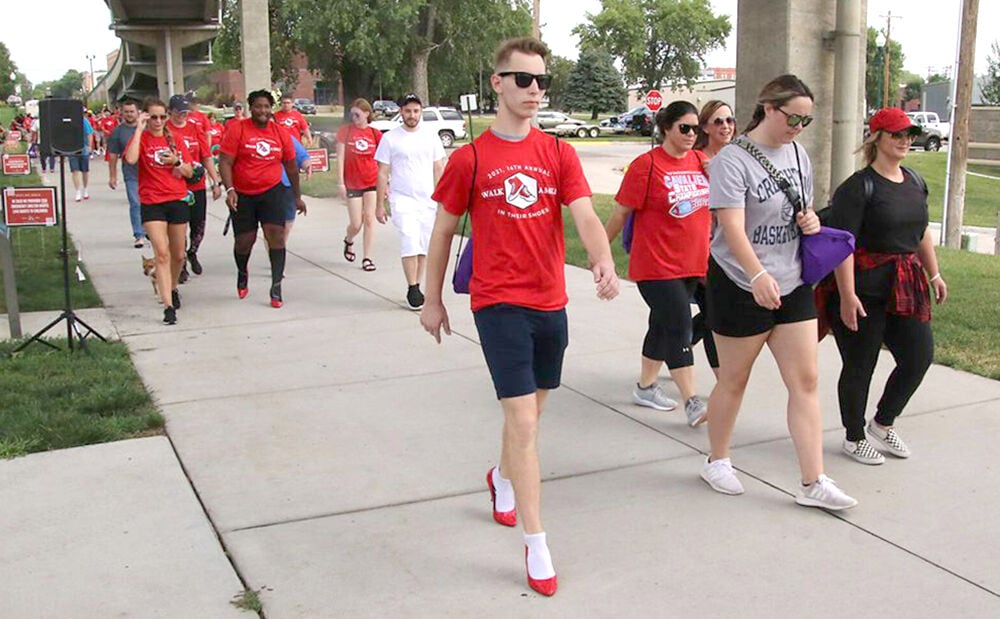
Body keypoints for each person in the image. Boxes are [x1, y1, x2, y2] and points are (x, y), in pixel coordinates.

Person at [420, 37, 620, 596]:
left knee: (531, 411)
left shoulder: (558, 152)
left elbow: (583, 214)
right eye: (523, 80)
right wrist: (432, 298)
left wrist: (602, 260)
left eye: (542, 81)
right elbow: (441, 232)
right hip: (497, 301)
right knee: (525, 422)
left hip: (549, 301)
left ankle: (501, 475)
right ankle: (537, 543)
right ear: (498, 83)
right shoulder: (471, 158)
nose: (535, 91)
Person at [699, 74, 858, 510]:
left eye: (806, 121)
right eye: (793, 118)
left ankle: (813, 481)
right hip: (739, 283)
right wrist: (755, 275)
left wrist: (808, 220)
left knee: (805, 380)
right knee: (734, 379)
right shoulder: (733, 160)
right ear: (768, 107)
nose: (798, 127)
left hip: (792, 281)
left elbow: (800, 207)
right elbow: (730, 226)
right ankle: (717, 460)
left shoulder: (798, 153)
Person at [825, 108, 946, 465]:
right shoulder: (857, 187)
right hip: (863, 289)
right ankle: (853, 436)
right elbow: (843, 244)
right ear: (876, 138)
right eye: (897, 134)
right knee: (861, 364)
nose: (905, 140)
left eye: (909, 134)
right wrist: (846, 296)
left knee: (918, 356)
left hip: (905, 285)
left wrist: (934, 274)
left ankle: (883, 422)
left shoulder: (914, 181)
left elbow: (921, 232)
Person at [604, 101, 711, 426]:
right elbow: (620, 214)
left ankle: (646, 387)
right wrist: (600, 255)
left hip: (692, 265)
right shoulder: (646, 166)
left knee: (662, 325)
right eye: (685, 128)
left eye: (696, 128)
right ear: (667, 128)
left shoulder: (701, 162)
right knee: (679, 323)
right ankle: (692, 400)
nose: (692, 134)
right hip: (655, 266)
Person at [218, 89, 305, 308]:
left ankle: (276, 287)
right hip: (244, 194)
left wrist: (297, 197)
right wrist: (230, 189)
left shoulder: (280, 133)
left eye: (266, 106)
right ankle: (242, 272)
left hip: (272, 191)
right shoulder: (238, 130)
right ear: (251, 108)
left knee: (276, 237)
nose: (263, 111)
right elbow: (225, 161)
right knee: (244, 241)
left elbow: (291, 167)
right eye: (258, 106)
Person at [124, 97, 194, 325]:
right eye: (153, 117)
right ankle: (168, 306)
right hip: (152, 201)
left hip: (176, 199)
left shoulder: (177, 140)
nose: (158, 121)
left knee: (179, 254)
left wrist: (176, 162)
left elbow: (189, 172)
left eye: (162, 117)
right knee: (161, 253)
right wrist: (138, 130)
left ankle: (172, 287)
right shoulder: (142, 139)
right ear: (145, 116)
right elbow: (131, 159)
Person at [374, 92, 446, 310]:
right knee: (409, 240)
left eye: (415, 111)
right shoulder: (390, 138)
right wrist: (379, 204)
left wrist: (442, 199)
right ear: (401, 112)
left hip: (427, 200)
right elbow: (382, 172)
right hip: (402, 199)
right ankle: (412, 286)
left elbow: (438, 167)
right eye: (408, 111)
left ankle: (418, 283)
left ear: (420, 112)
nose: (412, 115)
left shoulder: (430, 136)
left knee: (423, 245)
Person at [690, 99, 736, 377]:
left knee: (714, 313)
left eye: (729, 120)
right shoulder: (694, 161)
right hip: (701, 249)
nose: (726, 126)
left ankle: (674, 346)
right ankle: (723, 379)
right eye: (718, 121)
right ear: (705, 126)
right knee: (712, 314)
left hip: (731, 249)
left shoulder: (736, 158)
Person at [166, 94, 222, 282]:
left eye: (185, 112)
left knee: (198, 226)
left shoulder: (195, 128)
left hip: (196, 184)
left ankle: (192, 252)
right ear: (170, 112)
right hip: (176, 186)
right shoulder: (165, 131)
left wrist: (215, 182)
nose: (182, 115)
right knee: (179, 228)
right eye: (178, 112)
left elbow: (206, 156)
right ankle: (180, 264)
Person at [336, 98, 382, 271]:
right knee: (356, 223)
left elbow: (382, 162)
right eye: (352, 114)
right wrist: (340, 182)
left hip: (371, 180)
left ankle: (367, 257)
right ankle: (349, 239)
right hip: (352, 182)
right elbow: (340, 157)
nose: (354, 117)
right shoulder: (345, 131)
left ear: (366, 114)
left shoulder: (375, 134)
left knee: (370, 219)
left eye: (357, 114)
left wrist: (386, 184)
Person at [107, 99, 146, 248]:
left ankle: (149, 228)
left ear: (138, 112)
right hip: (131, 174)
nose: (129, 114)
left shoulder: (147, 128)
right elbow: (112, 155)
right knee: (135, 203)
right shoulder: (117, 132)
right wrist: (112, 176)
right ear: (121, 113)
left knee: (150, 204)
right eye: (126, 112)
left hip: (150, 173)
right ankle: (139, 234)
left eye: (132, 111)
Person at [70, 105, 95, 202]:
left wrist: (89, 146)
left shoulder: (84, 121)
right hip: (72, 148)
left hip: (83, 147)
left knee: (85, 170)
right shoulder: (69, 121)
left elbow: (89, 133)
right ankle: (77, 191)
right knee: (74, 170)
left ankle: (85, 189)